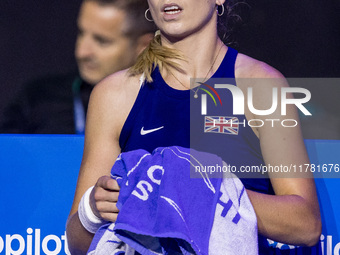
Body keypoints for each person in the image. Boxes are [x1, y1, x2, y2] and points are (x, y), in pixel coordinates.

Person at [66, 0, 322, 254]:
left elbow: (306, 224)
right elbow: (77, 243)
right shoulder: (113, 95)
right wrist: (92, 210)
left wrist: (206, 193)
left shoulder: (261, 85)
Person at [0, 0, 156, 134]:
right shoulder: (37, 99)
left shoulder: (163, 106)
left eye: (101, 41)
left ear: (144, 45)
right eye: (81, 33)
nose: (82, 52)